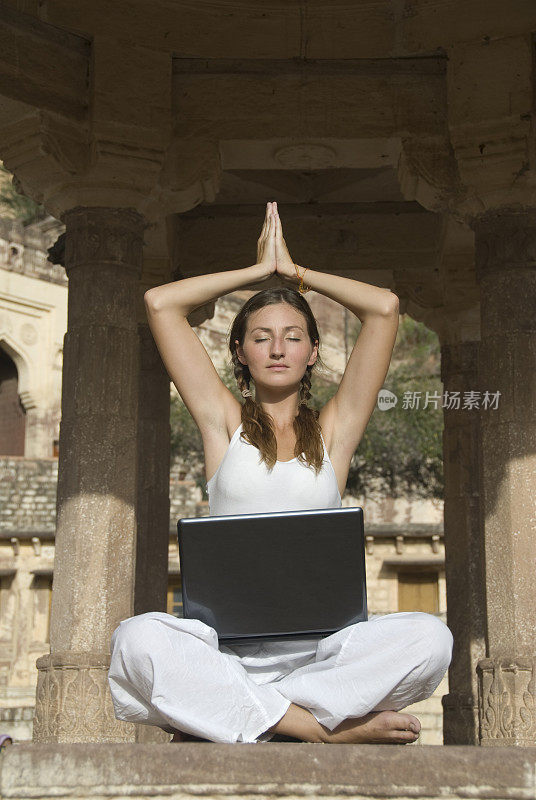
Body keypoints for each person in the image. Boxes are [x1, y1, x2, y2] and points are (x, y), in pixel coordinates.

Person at [108, 201, 453, 745]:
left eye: (293, 336)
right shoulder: (222, 426)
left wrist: (297, 274)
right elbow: (160, 302)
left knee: (431, 638)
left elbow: (385, 308)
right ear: (240, 352)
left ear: (314, 351)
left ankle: (255, 718)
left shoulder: (334, 434)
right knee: (136, 640)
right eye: (261, 336)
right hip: (227, 656)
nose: (277, 348)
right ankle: (316, 730)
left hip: (323, 660)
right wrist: (255, 271)